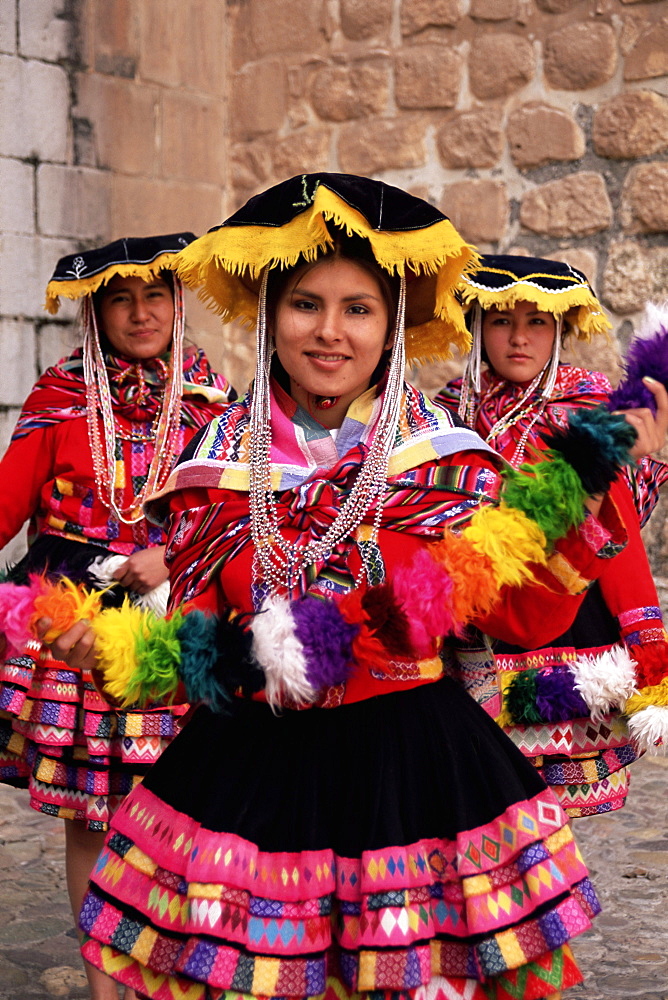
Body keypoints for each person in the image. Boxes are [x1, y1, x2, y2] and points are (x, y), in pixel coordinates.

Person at [40, 175, 639, 1000]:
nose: (329, 332)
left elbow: (526, 616)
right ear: (268, 315)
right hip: (249, 776)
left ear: (392, 323)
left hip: (415, 775)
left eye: (358, 308)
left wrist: (580, 498)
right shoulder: (213, 467)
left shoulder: (448, 460)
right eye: (304, 304)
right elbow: (203, 650)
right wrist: (115, 650)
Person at [0, 233, 234, 1000]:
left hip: (177, 615)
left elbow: (234, 511)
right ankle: (106, 981)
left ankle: (169, 964)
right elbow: (8, 503)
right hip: (75, 623)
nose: (140, 313)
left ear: (177, 303)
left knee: (175, 805)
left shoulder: (214, 398)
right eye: (120, 299)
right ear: (97, 312)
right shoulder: (60, 395)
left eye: (155, 296)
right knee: (91, 810)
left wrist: (169, 557)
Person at [434, 254, 668, 819]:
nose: (519, 338)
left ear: (559, 330)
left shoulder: (589, 410)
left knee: (548, 800)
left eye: (537, 322)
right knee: (471, 791)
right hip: (466, 616)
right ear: (476, 327)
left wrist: (648, 645)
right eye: (502, 321)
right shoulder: (443, 417)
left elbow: (619, 531)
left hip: (563, 614)